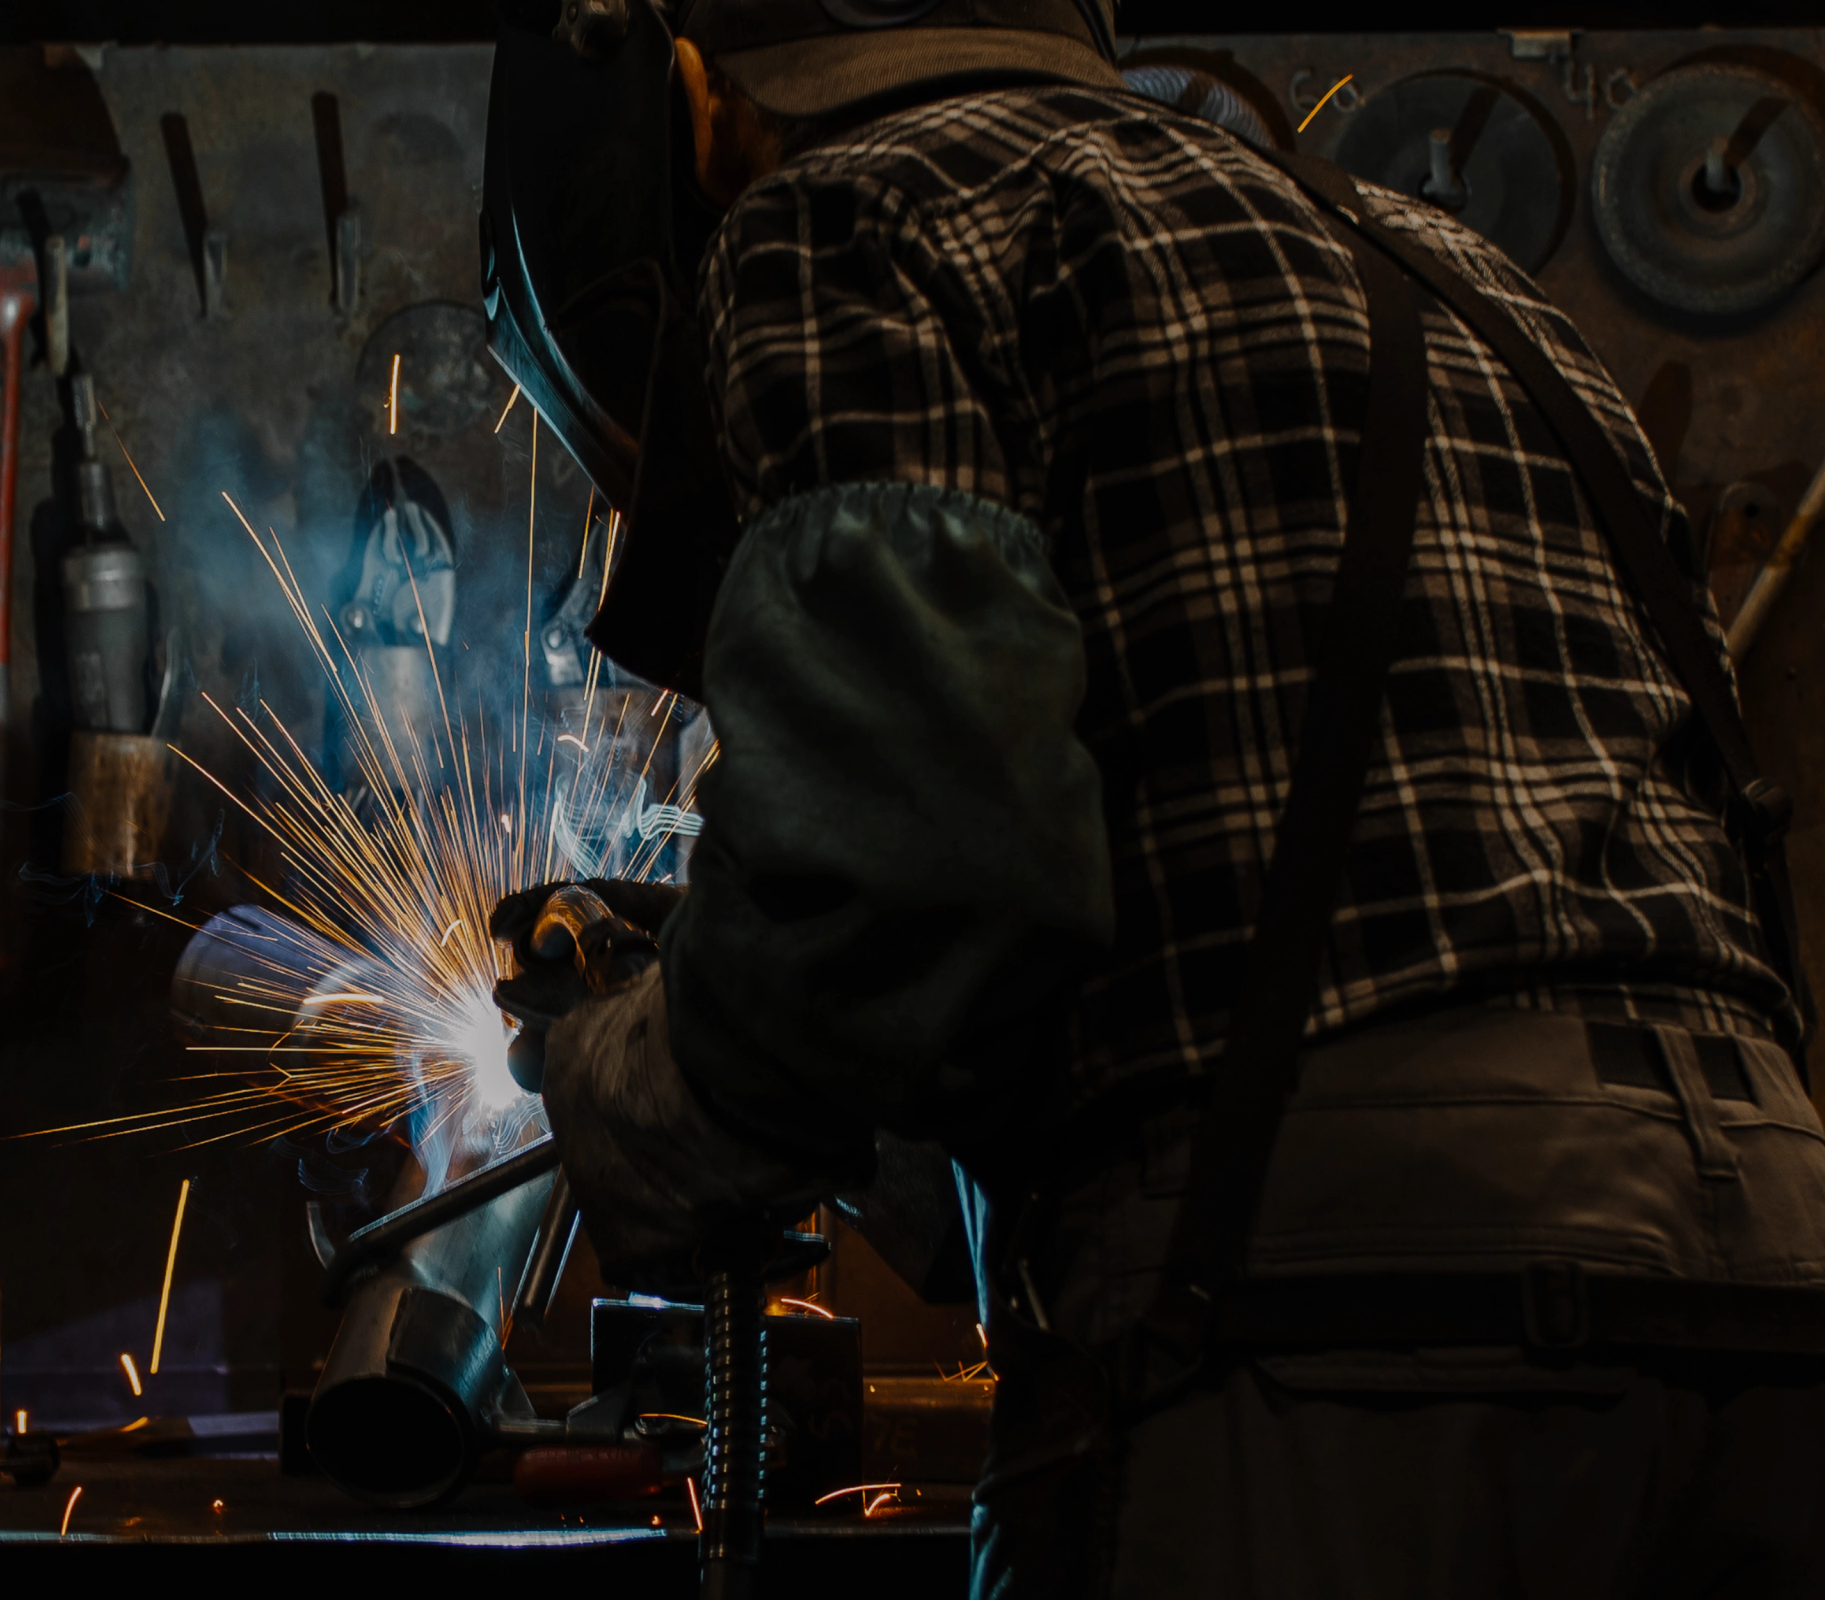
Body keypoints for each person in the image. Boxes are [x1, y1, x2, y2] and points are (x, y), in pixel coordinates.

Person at [491, 2, 1825, 1594]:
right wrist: (741, 957)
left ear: (690, 94)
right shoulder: (1444, 263)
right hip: (1775, 1296)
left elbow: (912, 879)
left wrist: (640, 1081)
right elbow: (1212, 920)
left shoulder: (848, 213)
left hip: (1341, 1336)